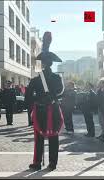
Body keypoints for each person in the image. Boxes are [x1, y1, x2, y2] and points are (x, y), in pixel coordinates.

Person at [25, 31, 64, 171]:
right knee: (54, 137)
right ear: (52, 64)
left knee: (38, 137)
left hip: (40, 109)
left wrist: (32, 107)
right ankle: (52, 163)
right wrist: (52, 97)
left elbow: (28, 96)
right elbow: (60, 92)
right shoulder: (57, 78)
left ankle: (37, 163)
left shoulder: (35, 80)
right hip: (53, 109)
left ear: (42, 64)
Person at [96, 77, 104, 142]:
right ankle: (102, 134)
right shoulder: (99, 90)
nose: (100, 84)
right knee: (101, 122)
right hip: (100, 108)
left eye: (101, 83)